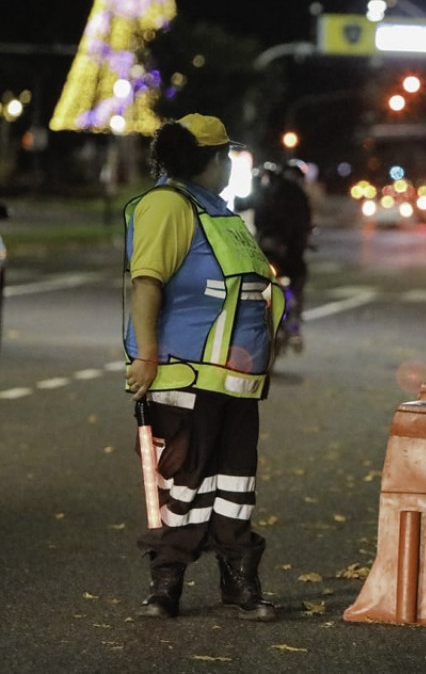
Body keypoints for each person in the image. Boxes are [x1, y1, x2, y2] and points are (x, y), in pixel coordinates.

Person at [123, 113, 285, 621]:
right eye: (226, 158)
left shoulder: (219, 212)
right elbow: (147, 280)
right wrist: (147, 356)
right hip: (183, 373)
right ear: (214, 160)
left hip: (232, 380)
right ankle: (165, 586)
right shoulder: (168, 205)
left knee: (235, 482)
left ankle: (239, 582)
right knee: (185, 482)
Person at [251, 160, 313, 349]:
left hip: (266, 250)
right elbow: (304, 224)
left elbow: (257, 217)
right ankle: (294, 326)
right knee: (298, 278)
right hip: (288, 255)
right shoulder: (299, 196)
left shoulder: (269, 191)